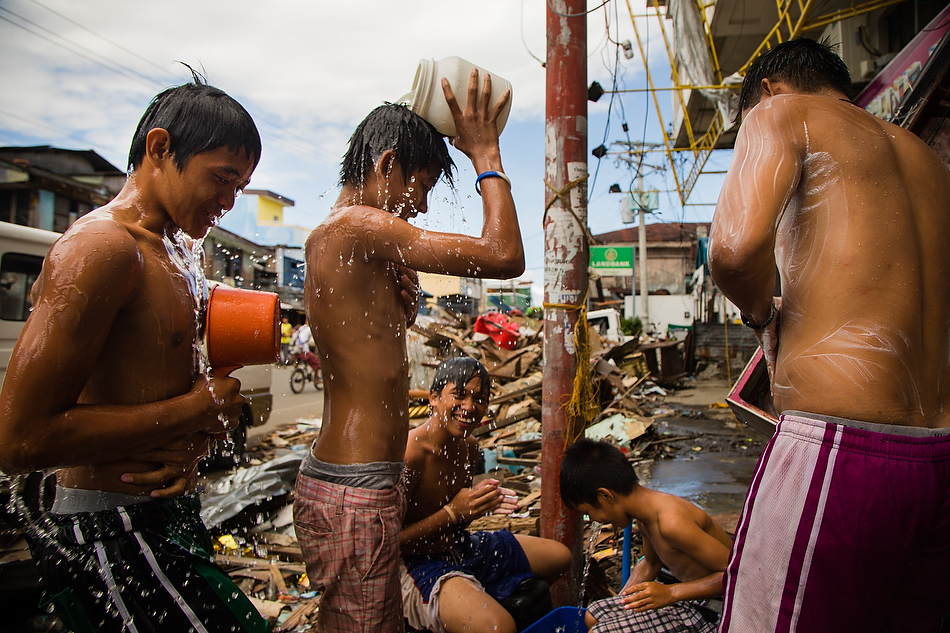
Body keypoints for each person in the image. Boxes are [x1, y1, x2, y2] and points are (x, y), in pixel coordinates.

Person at [0, 75, 269, 632]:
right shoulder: (99, 250)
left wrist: (195, 441)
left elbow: (160, 387)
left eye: (240, 187)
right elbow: (19, 439)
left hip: (161, 516)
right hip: (109, 531)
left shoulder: (177, 256)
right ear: (160, 148)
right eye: (222, 178)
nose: (228, 201)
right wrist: (191, 413)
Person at [708, 37, 950, 632]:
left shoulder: (779, 114)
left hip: (844, 454)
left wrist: (764, 316)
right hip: (941, 457)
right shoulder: (929, 161)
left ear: (767, 89)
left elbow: (734, 254)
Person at [293, 67, 524, 632]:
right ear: (387, 165)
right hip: (356, 483)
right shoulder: (355, 228)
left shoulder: (342, 236)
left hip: (358, 478)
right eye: (418, 187)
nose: (418, 208)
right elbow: (504, 254)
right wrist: (486, 153)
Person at [400, 357, 571, 633]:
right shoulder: (411, 454)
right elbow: (384, 546)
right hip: (413, 565)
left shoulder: (469, 447)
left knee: (559, 557)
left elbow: (458, 523)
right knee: (498, 627)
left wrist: (480, 505)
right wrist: (452, 513)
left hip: (458, 547)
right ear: (433, 397)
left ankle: (473, 603)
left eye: (479, 399)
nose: (469, 407)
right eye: (458, 395)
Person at [559, 438, 731, 633]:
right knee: (593, 616)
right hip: (687, 596)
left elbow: (736, 574)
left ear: (606, 496)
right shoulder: (645, 516)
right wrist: (623, 602)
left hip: (716, 609)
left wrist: (671, 593)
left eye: (589, 512)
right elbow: (651, 563)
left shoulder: (672, 524)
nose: (592, 519)